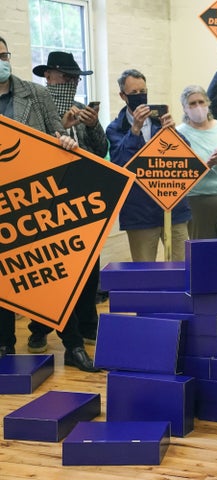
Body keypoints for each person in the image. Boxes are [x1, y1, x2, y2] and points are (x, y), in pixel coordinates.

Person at [21, 51, 108, 368]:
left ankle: (87, 327)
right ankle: (39, 327)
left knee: (87, 271)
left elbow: (101, 152)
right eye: (65, 77)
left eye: (75, 78)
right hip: (46, 201)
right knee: (48, 273)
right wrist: (58, 129)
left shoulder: (82, 113)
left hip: (82, 198)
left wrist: (94, 126)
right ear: (49, 76)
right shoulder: (35, 106)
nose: (70, 83)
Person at [0, 38, 82, 359]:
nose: (1, 60)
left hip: (35, 198)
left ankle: (73, 343)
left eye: (4, 54)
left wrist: (64, 142)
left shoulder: (36, 94)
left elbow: (55, 134)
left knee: (52, 274)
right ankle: (5, 344)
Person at [106, 69, 191, 262]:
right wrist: (134, 129)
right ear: (123, 96)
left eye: (143, 92)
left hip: (173, 208)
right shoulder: (115, 128)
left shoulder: (158, 120)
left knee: (184, 268)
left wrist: (172, 133)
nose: (140, 97)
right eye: (134, 93)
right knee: (145, 272)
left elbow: (186, 155)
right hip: (140, 213)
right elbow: (120, 164)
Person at [176, 85, 217, 239]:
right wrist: (204, 166)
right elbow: (178, 172)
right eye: (192, 104)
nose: (198, 107)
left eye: (201, 102)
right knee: (203, 253)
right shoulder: (179, 133)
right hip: (197, 202)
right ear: (184, 108)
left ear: (208, 103)